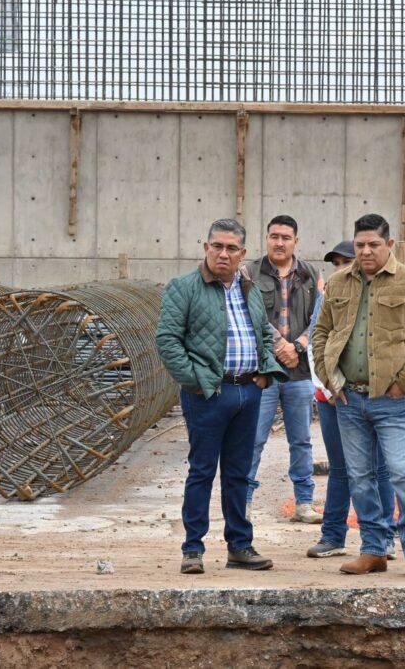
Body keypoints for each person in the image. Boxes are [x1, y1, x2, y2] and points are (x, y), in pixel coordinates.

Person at [155, 218, 288, 575]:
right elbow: (167, 340)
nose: (223, 254)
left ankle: (240, 547)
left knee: (239, 474)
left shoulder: (250, 289)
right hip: (208, 395)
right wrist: (195, 382)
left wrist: (264, 373)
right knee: (201, 471)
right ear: (205, 248)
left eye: (232, 248)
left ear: (242, 253)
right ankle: (193, 549)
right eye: (217, 246)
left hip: (249, 392)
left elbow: (263, 333)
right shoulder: (184, 288)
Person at [312, 213, 405, 580]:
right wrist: (330, 380)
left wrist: (402, 383)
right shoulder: (338, 283)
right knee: (360, 477)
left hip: (391, 400)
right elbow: (322, 333)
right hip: (349, 399)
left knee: (401, 473)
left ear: (390, 245)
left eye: (374, 245)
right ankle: (372, 549)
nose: (366, 251)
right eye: (360, 245)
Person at [305, 240, 397, 559]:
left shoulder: (381, 296)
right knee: (342, 469)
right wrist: (330, 387)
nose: (341, 268)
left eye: (347, 262)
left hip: (373, 395)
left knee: (378, 468)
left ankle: (383, 538)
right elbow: (316, 343)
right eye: (337, 263)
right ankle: (333, 535)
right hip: (334, 397)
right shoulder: (328, 296)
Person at [247, 215, 323, 524]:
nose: (280, 242)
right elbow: (248, 313)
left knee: (302, 440)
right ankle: (244, 501)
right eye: (274, 236)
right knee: (253, 439)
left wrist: (300, 346)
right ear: (266, 238)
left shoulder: (311, 274)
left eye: (286, 237)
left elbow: (321, 317)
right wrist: (280, 343)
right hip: (263, 371)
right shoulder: (249, 272)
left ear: (296, 241)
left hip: (299, 372)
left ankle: (304, 503)